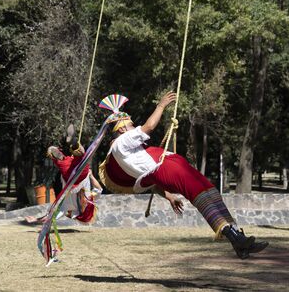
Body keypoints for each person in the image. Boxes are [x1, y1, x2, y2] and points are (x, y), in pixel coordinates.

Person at [99, 92, 268, 259]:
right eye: (131, 125)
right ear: (121, 128)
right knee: (200, 196)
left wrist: (170, 196)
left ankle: (238, 238)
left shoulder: (129, 151)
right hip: (166, 169)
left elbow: (152, 182)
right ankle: (235, 238)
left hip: (167, 169)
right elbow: (149, 127)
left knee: (210, 192)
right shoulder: (122, 142)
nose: (134, 127)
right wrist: (161, 105)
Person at [25, 139, 102, 224]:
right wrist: (91, 176)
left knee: (70, 163)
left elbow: (99, 189)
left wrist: (91, 176)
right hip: (73, 176)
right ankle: (63, 157)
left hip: (75, 176)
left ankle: (71, 155)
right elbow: (99, 189)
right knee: (66, 164)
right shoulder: (79, 203)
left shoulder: (72, 205)